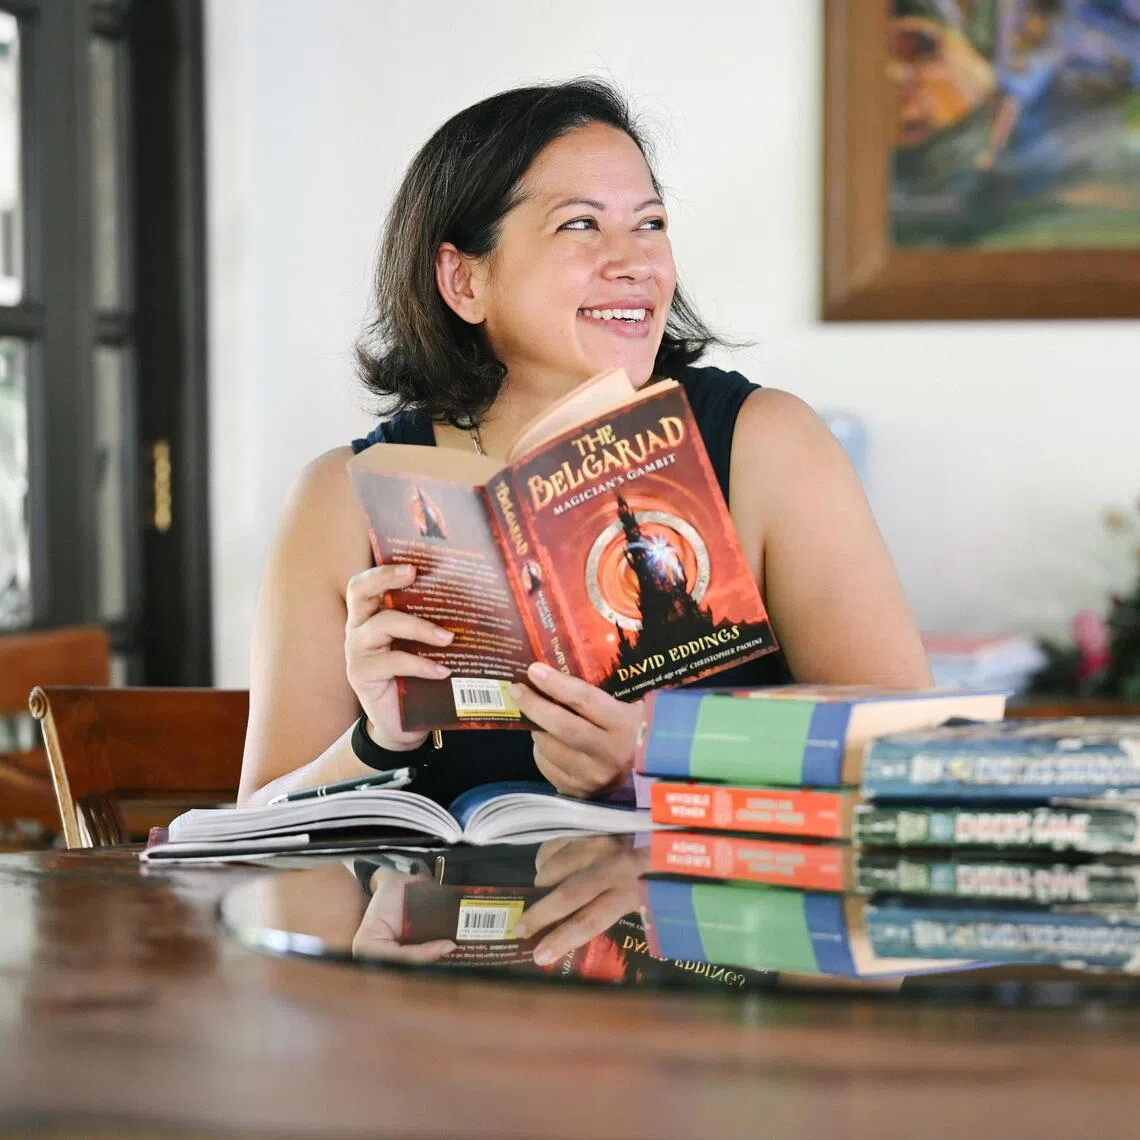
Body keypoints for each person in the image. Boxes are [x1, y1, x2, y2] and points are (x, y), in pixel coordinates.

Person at [237, 79, 931, 810]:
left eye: (651, 223)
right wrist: (377, 739)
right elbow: (255, 824)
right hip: (454, 921)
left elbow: (906, 745)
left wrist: (660, 752)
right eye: (580, 225)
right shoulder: (342, 499)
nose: (635, 262)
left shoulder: (765, 443)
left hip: (706, 919)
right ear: (463, 279)